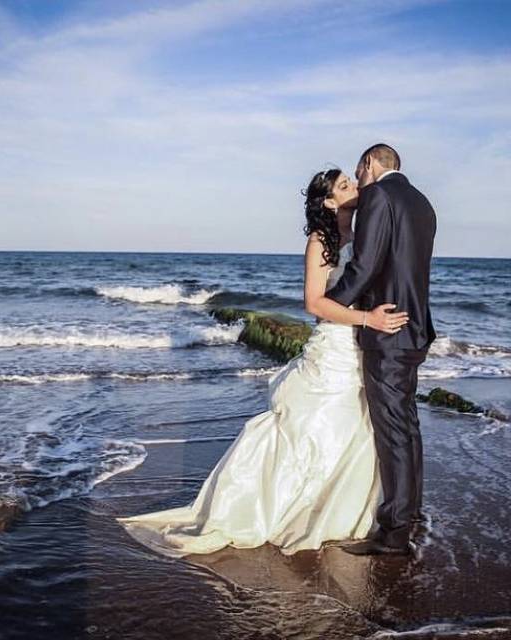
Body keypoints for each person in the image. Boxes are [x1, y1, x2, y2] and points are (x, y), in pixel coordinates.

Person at [114, 167, 409, 558]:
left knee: (353, 429)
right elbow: (314, 303)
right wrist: (367, 319)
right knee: (315, 427)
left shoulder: (363, 237)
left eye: (352, 181)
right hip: (335, 346)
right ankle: (284, 509)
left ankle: (341, 512)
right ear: (328, 201)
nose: (355, 187)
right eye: (344, 186)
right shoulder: (321, 241)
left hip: (359, 350)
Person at [326, 143, 437, 555]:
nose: (357, 180)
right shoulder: (422, 202)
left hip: (387, 331)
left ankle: (393, 533)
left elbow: (365, 265)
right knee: (407, 425)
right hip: (415, 329)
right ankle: (412, 511)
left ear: (370, 164)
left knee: (392, 430)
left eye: (358, 170)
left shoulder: (379, 196)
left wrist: (329, 307)